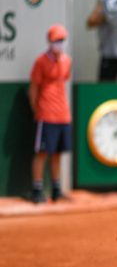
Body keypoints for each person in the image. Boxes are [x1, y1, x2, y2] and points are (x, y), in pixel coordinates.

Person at [28, 25, 72, 204]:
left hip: (63, 115)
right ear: (50, 42)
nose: (60, 44)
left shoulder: (67, 61)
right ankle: (37, 191)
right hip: (46, 115)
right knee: (42, 153)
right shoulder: (41, 62)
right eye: (56, 41)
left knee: (57, 154)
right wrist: (38, 111)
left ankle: (56, 190)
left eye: (62, 40)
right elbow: (33, 90)